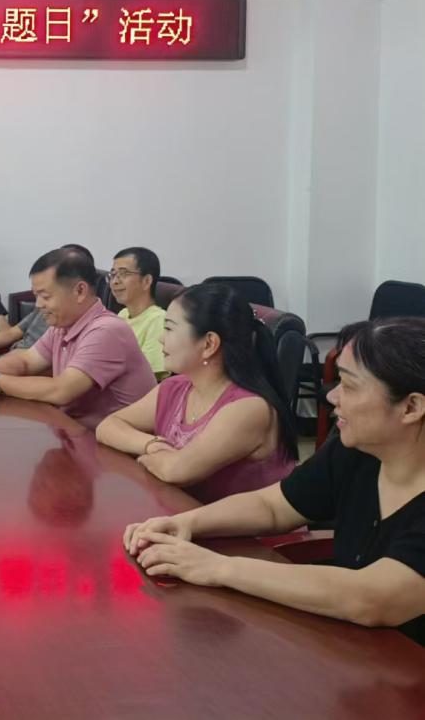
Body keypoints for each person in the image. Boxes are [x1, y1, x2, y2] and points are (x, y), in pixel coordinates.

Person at [124, 317, 425, 645]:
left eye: (349, 386)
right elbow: (273, 505)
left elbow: (373, 599)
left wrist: (217, 568)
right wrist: (187, 522)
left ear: (411, 406)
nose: (332, 397)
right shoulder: (357, 451)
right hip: (355, 650)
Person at [96, 282, 298, 502]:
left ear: (209, 343)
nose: (161, 338)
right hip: (183, 514)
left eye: (169, 329)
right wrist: (152, 446)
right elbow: (107, 426)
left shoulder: (249, 408)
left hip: (238, 525)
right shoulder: (174, 388)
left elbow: (176, 471)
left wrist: (145, 457)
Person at [0, 247, 155, 428]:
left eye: (45, 296)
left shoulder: (107, 331)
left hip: (115, 445)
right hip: (75, 430)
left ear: (80, 291)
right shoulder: (62, 325)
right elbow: (26, 361)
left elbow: (61, 390)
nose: (38, 304)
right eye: (36, 296)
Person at [0, 244, 96, 357]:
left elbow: (47, 366)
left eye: (45, 296)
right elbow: (12, 333)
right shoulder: (47, 311)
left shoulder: (90, 328)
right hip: (15, 360)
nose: (38, 304)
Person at [108, 246, 168, 379]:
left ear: (146, 281)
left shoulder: (159, 320)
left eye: (123, 274)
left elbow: (150, 376)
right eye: (113, 274)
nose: (115, 281)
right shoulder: (123, 314)